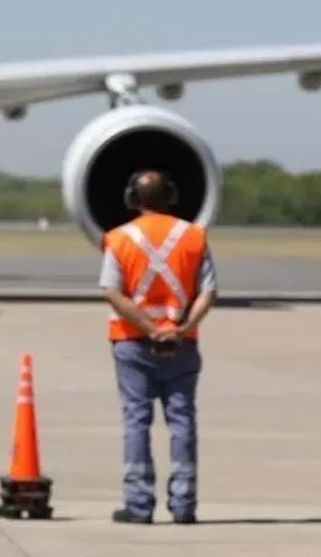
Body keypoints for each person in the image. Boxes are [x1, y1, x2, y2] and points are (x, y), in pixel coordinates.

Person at [98, 169, 216, 526]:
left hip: (133, 344)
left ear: (133, 198)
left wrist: (149, 328)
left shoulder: (118, 239)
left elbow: (111, 290)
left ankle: (139, 504)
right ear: (172, 195)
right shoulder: (194, 236)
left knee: (137, 420)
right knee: (182, 421)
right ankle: (184, 504)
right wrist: (180, 329)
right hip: (181, 346)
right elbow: (208, 291)